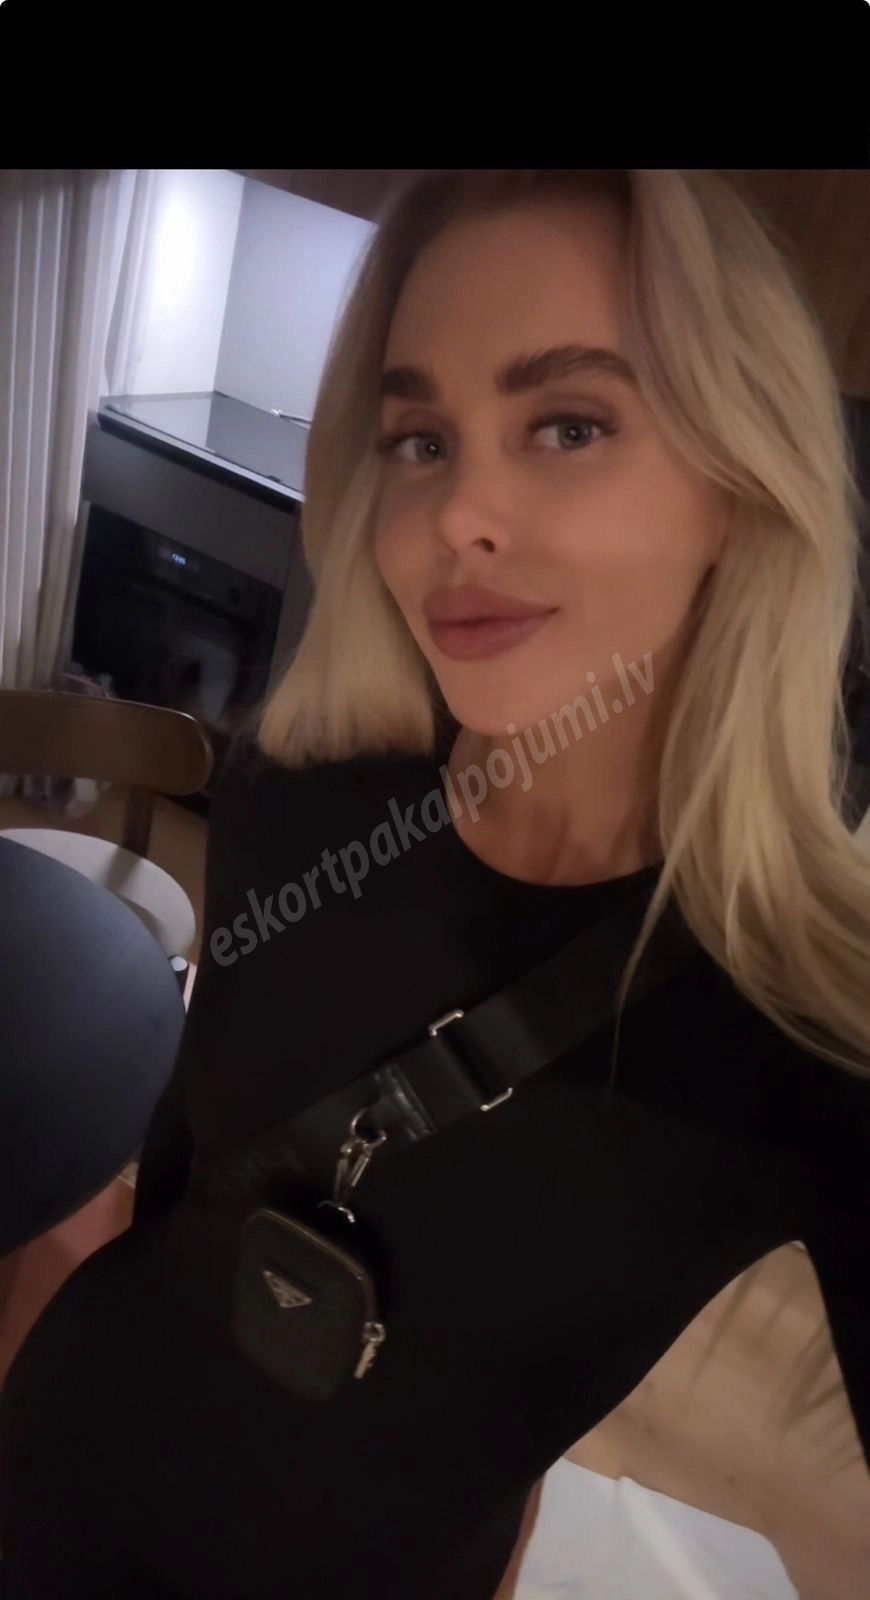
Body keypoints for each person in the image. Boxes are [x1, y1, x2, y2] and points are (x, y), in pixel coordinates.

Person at [1, 168, 868, 1599]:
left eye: (569, 425)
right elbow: (187, 1170)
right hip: (54, 1484)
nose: (458, 510)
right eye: (419, 440)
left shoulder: (801, 1029)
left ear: (742, 482)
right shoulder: (302, 792)